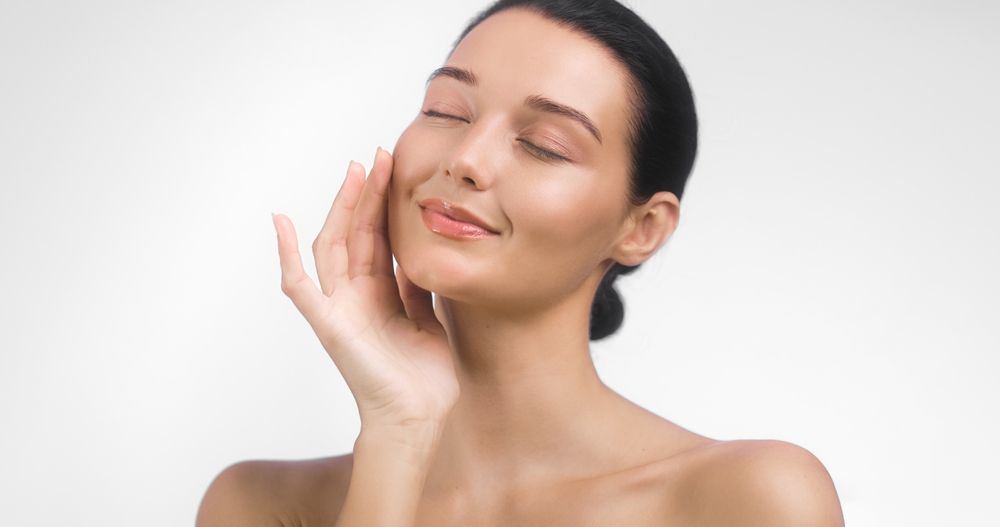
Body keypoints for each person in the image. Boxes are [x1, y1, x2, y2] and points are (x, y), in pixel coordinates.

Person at [197, 1, 845, 525]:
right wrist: (398, 436)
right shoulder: (261, 506)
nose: (466, 159)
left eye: (544, 145)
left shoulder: (750, 499)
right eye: (445, 111)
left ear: (641, 228)